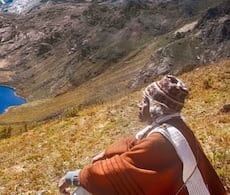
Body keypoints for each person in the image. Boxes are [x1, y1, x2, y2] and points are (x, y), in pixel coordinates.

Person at [59, 75, 228, 195]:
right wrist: (106, 154)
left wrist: (75, 177)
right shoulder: (176, 128)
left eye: (144, 101)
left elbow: (117, 172)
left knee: (87, 190)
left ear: (155, 106)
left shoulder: (161, 142)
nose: (140, 105)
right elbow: (134, 143)